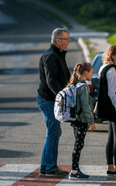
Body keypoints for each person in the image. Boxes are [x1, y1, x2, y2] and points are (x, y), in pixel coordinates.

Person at [36, 28, 71, 177]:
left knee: (52, 132)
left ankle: (45, 167)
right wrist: (62, 96)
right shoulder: (50, 56)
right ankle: (50, 167)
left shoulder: (58, 54)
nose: (68, 42)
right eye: (66, 39)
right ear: (58, 41)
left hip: (52, 99)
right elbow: (51, 81)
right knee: (54, 131)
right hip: (48, 100)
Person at [97, 45, 116, 175]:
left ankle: (110, 166)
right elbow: (112, 91)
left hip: (107, 107)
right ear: (112, 55)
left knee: (111, 137)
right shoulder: (112, 69)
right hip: (113, 107)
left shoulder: (103, 67)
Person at [66, 63, 96, 180]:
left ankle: (75, 170)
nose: (92, 75)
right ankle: (74, 171)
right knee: (78, 145)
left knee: (78, 144)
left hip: (76, 119)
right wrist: (91, 121)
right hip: (81, 120)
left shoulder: (76, 85)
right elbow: (86, 107)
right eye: (91, 72)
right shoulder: (83, 87)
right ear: (86, 73)